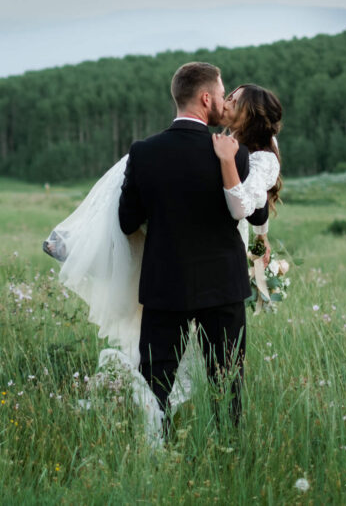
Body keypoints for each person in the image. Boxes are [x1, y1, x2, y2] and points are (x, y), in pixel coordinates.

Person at [43, 63, 282, 440]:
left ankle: (158, 449)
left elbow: (125, 222)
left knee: (156, 383)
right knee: (227, 381)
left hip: (164, 285)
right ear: (206, 99)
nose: (223, 102)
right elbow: (254, 210)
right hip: (222, 287)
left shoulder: (144, 153)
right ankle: (230, 452)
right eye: (221, 95)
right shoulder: (235, 155)